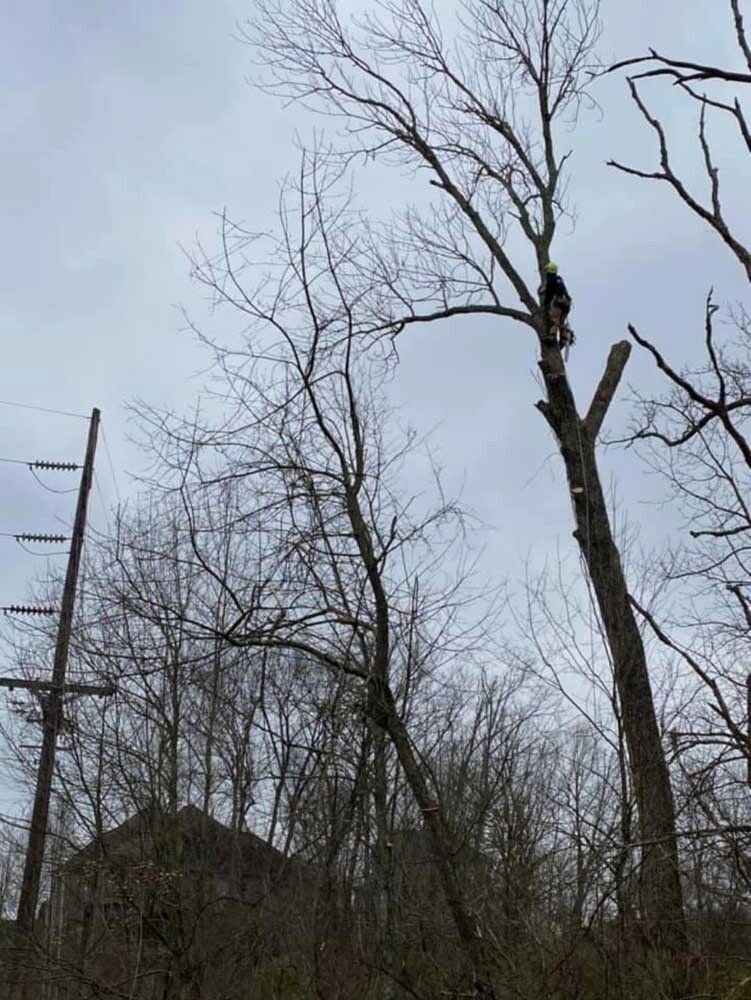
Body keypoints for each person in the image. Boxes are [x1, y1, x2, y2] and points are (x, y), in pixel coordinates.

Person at [540, 261, 574, 354]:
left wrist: (545, 304)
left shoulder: (551, 281)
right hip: (566, 304)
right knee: (561, 321)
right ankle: (563, 338)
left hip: (557, 303)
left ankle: (552, 336)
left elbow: (549, 293)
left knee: (554, 320)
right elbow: (565, 291)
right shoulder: (559, 279)